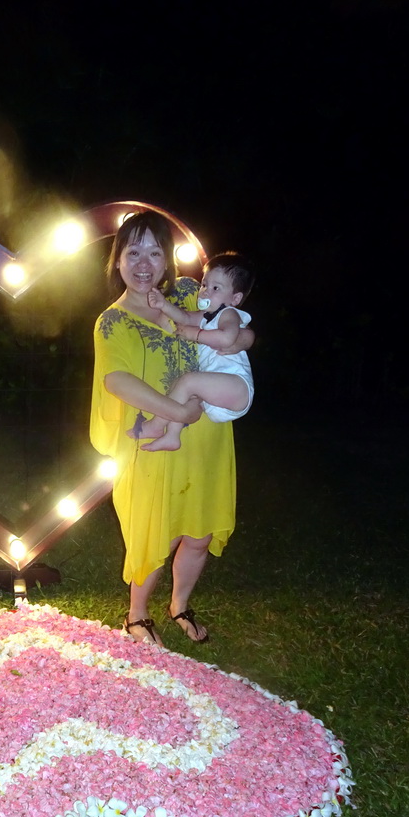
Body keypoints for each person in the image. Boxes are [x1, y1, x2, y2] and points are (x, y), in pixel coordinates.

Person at [89, 212, 253, 644]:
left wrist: (243, 340)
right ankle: (137, 614)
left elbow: (234, 321)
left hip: (207, 441)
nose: (144, 263)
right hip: (156, 440)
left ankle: (179, 604)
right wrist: (177, 413)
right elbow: (117, 380)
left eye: (155, 252)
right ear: (118, 260)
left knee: (197, 535)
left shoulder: (186, 293)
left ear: (167, 261)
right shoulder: (113, 321)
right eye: (133, 251)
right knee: (154, 536)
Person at [131, 252, 255, 451]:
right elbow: (185, 317)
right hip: (216, 398)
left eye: (216, 288)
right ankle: (172, 435)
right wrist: (163, 305)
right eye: (204, 284)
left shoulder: (228, 313)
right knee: (186, 389)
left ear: (235, 298)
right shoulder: (207, 317)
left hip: (236, 385)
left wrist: (195, 334)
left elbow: (227, 338)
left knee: (188, 381)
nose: (205, 291)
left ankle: (156, 425)